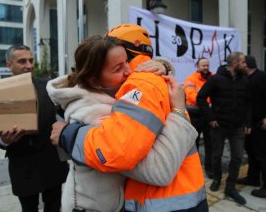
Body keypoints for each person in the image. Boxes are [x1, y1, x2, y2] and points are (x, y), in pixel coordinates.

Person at [51, 24, 208, 212]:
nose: (130, 71)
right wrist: (179, 111)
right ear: (94, 80)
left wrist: (164, 65)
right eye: (118, 68)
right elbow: (158, 171)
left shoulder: (109, 92)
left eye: (128, 61)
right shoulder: (92, 110)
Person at [0, 45, 68, 212]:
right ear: (9, 64)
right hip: (22, 163)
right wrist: (4, 140)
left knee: (54, 205)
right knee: (28, 208)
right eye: (22, 61)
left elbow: (64, 111)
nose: (29, 65)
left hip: (51, 161)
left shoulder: (48, 87)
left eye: (31, 60)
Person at [197, 51, 251, 205]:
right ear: (234, 63)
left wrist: (247, 123)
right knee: (216, 155)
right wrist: (211, 118)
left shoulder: (244, 80)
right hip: (219, 126)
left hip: (237, 127)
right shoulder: (216, 79)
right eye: (242, 62)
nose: (245, 65)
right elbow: (200, 98)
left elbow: (249, 103)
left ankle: (230, 187)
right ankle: (217, 179)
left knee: (237, 157)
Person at [237, 55, 266, 198]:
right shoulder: (246, 78)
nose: (239, 65)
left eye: (241, 63)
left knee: (262, 154)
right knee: (251, 152)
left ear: (246, 65)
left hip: (260, 123)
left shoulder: (261, 77)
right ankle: (252, 178)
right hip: (249, 123)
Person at [184, 57, 213, 178]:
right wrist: (208, 101)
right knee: (193, 143)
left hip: (208, 116)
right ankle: (193, 168)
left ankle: (209, 168)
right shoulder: (191, 79)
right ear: (197, 67)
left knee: (210, 143)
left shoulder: (213, 78)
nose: (205, 68)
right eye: (203, 66)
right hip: (195, 115)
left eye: (207, 65)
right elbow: (192, 96)